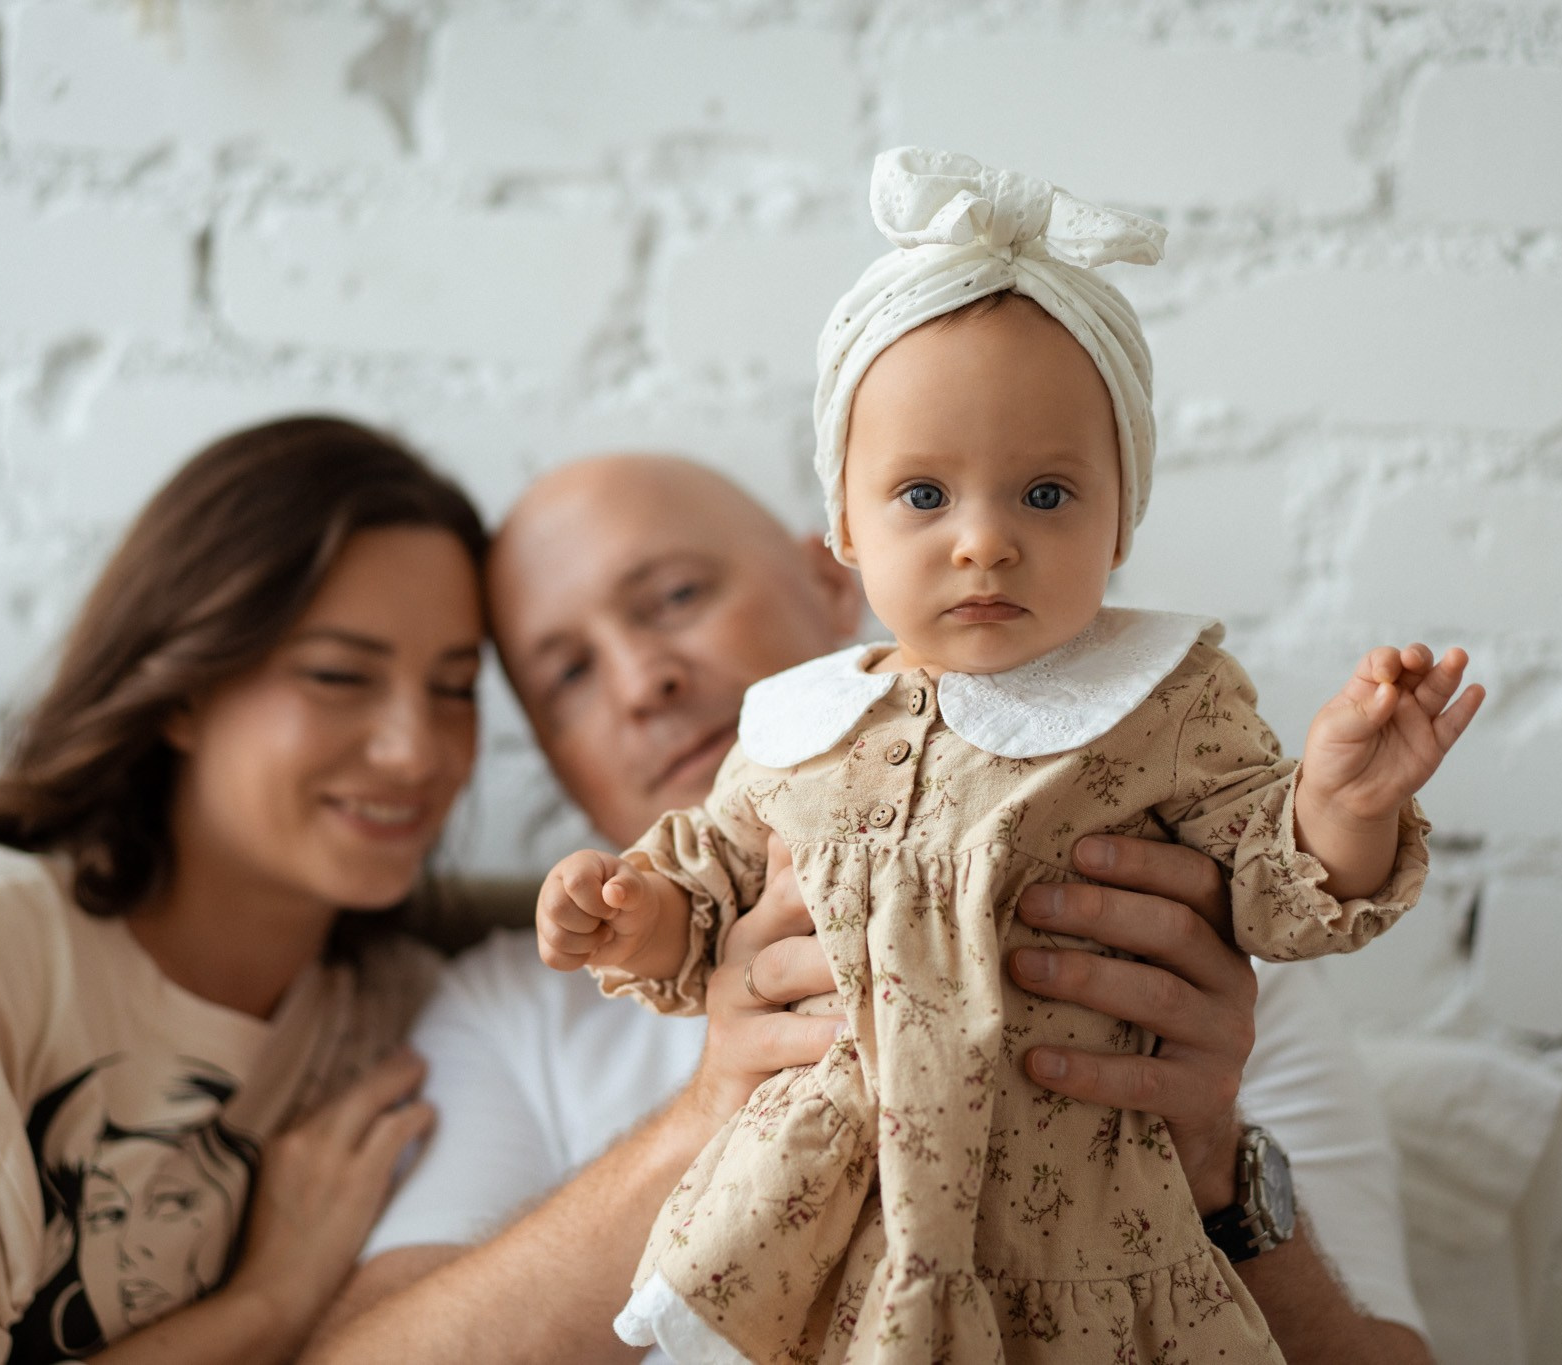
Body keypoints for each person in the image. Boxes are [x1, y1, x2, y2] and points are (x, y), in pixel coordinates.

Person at [534, 147, 1480, 1363]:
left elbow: (1274, 875)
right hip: (831, 1235)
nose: (984, 543)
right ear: (841, 528)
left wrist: (1340, 803)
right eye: (923, 497)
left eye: (1044, 496)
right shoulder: (796, 723)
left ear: (1123, 517)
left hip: (1080, 1234)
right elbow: (709, 890)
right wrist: (629, 916)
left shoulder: (1162, 702)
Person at [311, 513, 1440, 1353]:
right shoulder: (510, 1005)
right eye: (562, 672)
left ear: (831, 565)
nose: (642, 677)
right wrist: (712, 1109)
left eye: (672, 597)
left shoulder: (1170, 947)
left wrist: (1210, 1167)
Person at [0, 417, 485, 1363]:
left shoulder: (413, 1022)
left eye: (457, 687)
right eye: (339, 675)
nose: (417, 750)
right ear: (182, 685)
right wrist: (266, 1304)